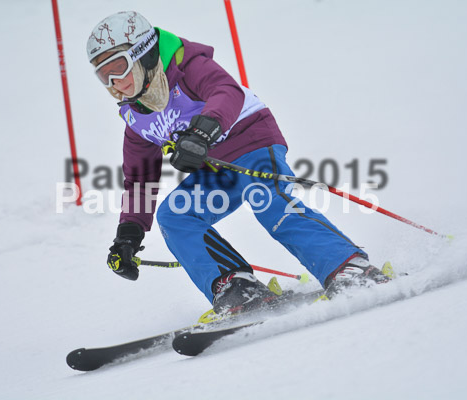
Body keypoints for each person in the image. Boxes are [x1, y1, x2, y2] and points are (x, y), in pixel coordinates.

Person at [86, 11, 387, 315]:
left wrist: (203, 131)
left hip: (251, 142)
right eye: (103, 75)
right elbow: (139, 180)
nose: (115, 82)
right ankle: (235, 286)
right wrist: (129, 233)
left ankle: (347, 266)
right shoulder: (135, 116)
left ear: (143, 54)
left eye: (119, 68)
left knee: (268, 200)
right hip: (215, 171)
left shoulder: (186, 64)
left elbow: (226, 91)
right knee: (175, 216)